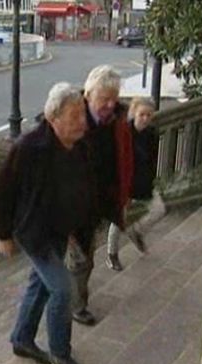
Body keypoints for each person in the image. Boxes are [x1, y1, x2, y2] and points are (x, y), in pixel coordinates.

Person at [0, 82, 99, 364]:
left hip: (60, 229)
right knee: (62, 289)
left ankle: (22, 339)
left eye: (82, 115)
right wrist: (2, 234)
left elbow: (83, 190)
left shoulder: (81, 146)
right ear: (53, 118)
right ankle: (60, 352)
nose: (82, 122)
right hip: (34, 231)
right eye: (74, 117)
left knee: (40, 284)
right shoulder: (29, 147)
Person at [82, 65, 134, 274]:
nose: (110, 104)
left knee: (85, 260)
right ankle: (75, 306)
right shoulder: (72, 121)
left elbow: (126, 160)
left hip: (97, 205)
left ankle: (76, 303)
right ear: (87, 95)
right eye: (104, 98)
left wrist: (124, 193)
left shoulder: (119, 124)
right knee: (77, 265)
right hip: (71, 207)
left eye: (114, 98)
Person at [107, 97, 166, 261]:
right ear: (134, 113)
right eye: (142, 114)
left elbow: (153, 160)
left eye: (149, 115)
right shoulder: (124, 132)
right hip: (125, 183)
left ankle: (137, 231)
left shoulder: (152, 134)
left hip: (144, 182)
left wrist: (151, 180)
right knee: (118, 219)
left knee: (159, 209)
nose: (145, 118)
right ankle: (112, 253)